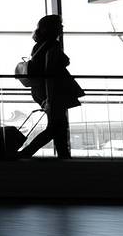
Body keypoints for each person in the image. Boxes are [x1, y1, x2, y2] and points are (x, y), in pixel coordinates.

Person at [20, 14, 83, 158]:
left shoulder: (38, 46)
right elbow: (50, 74)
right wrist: (50, 98)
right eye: (59, 25)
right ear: (52, 28)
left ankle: (63, 155)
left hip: (41, 91)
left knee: (58, 126)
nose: (62, 27)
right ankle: (27, 153)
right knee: (56, 127)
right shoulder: (52, 46)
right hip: (53, 92)